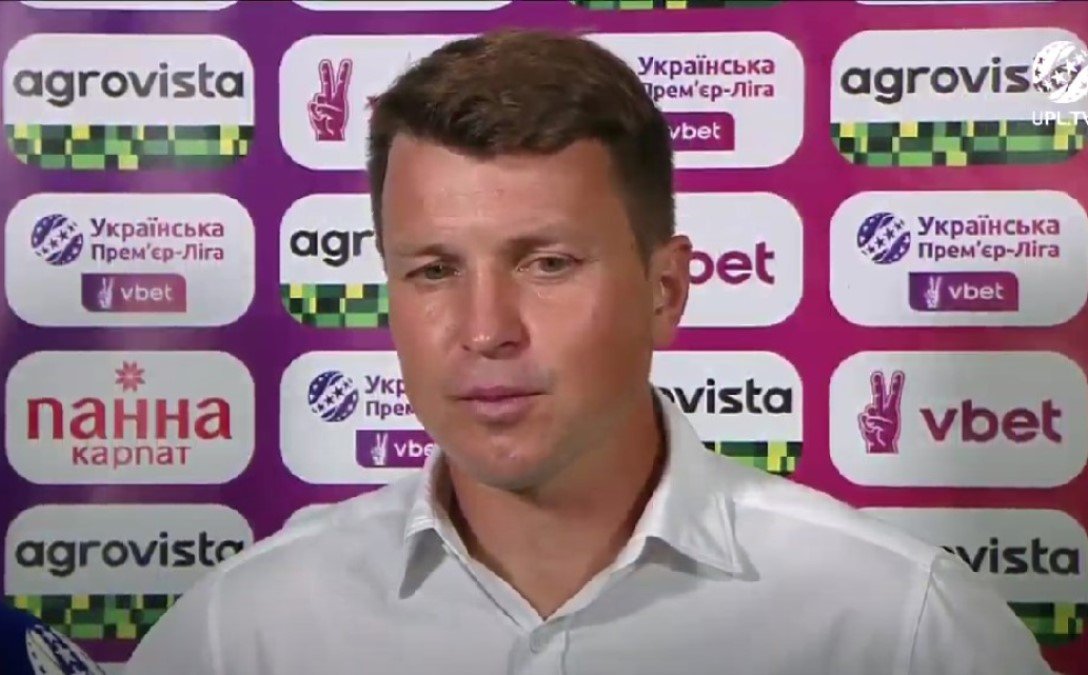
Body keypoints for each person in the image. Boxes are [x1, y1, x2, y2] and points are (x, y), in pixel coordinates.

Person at [126, 28, 1056, 675]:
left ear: (665, 290)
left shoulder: (902, 627)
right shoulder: (242, 632)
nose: (486, 328)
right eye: (434, 270)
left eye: (548, 263)